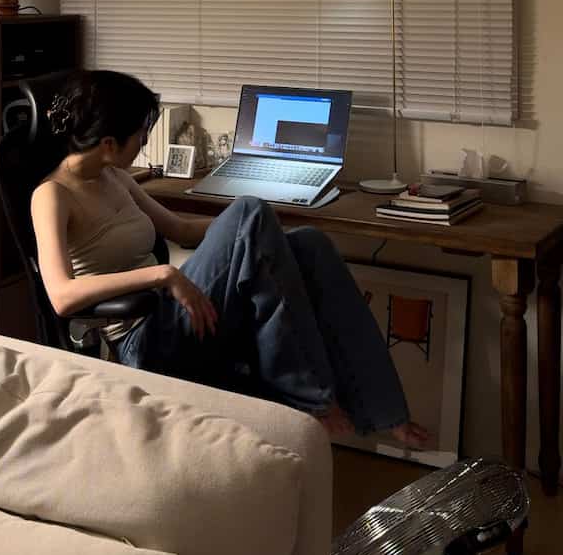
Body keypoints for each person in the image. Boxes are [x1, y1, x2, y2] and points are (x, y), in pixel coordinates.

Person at [31, 70, 428, 446]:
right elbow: (61, 296)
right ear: (108, 144)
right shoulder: (53, 195)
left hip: (174, 312)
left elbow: (181, 229)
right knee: (249, 212)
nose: (144, 141)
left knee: (307, 243)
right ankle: (311, 399)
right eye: (140, 134)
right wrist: (162, 275)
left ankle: (383, 408)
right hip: (144, 338)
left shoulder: (113, 177)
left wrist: (267, 232)